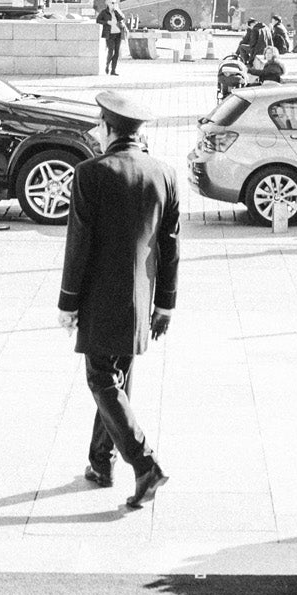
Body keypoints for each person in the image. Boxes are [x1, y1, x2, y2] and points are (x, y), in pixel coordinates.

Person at [58, 86, 179, 510]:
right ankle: (101, 461)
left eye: (99, 124)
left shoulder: (90, 173)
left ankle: (144, 463)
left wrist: (67, 301)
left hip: (98, 295)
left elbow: (80, 244)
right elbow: (170, 245)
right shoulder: (164, 173)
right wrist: (166, 303)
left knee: (100, 378)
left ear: (109, 129)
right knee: (117, 380)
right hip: (142, 298)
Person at [96, 0, 126, 76]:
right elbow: (98, 20)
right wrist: (107, 22)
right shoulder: (104, 12)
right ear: (107, 3)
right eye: (112, 3)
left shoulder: (116, 11)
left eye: (114, 3)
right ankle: (107, 65)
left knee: (116, 53)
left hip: (118, 34)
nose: (113, 4)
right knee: (110, 51)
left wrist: (116, 10)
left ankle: (113, 70)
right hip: (109, 34)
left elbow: (122, 18)